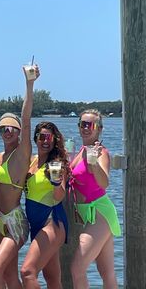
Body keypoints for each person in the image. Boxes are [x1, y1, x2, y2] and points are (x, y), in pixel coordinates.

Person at [0, 65, 40, 289]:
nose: (7, 131)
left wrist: (29, 84)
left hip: (15, 221)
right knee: (8, 277)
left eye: (12, 128)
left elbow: (26, 117)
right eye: (3, 129)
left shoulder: (22, 154)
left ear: (19, 132)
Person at [70, 109, 121, 289]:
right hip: (87, 213)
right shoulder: (80, 151)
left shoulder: (100, 153)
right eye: (82, 124)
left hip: (100, 212)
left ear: (99, 129)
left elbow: (104, 182)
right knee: (106, 273)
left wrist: (94, 165)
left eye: (90, 125)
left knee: (77, 268)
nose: (85, 128)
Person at [21, 121, 69, 289]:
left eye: (50, 137)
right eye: (42, 136)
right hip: (36, 225)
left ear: (55, 140)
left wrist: (56, 183)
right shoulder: (31, 161)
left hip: (52, 222)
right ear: (36, 138)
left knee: (27, 272)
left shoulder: (56, 164)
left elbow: (59, 196)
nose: (46, 140)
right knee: (52, 278)